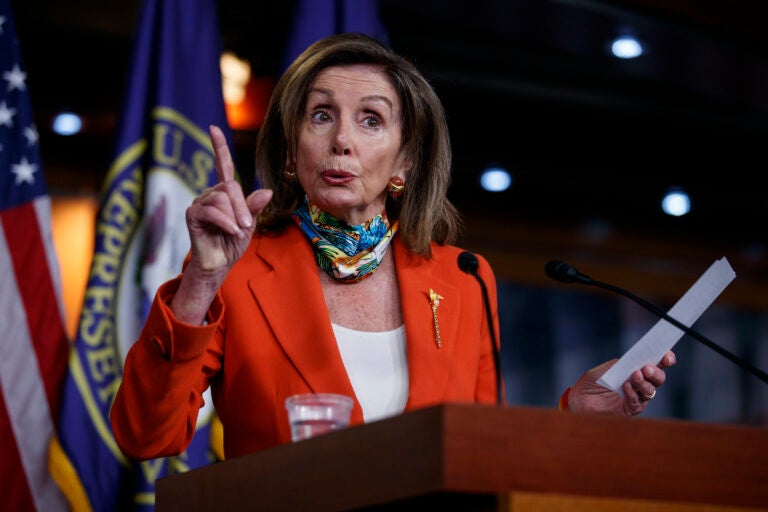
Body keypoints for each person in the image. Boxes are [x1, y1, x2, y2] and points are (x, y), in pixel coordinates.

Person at [110, 33, 675, 461]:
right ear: (290, 151)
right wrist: (201, 283)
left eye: (371, 120)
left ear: (404, 161)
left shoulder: (464, 280)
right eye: (321, 115)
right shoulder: (235, 269)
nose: (342, 142)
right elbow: (145, 436)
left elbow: (479, 458)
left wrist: (573, 418)